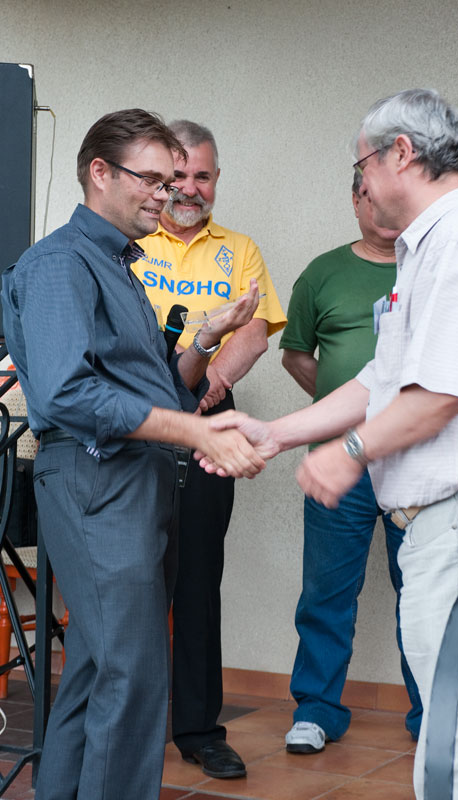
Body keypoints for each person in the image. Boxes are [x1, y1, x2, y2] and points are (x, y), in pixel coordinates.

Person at [200, 89, 458, 799]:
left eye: (362, 165)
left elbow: (440, 395)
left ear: (400, 154)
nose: (362, 184)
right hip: (440, 521)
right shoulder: (425, 251)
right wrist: (276, 433)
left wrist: (348, 453)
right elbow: (382, 380)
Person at [0, 108, 265, 800]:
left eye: (171, 181)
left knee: (98, 669)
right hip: (97, 483)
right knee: (134, 673)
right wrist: (194, 434)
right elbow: (65, 394)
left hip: (129, 484)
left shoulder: (118, 264)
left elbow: (161, 390)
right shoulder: (60, 263)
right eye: (151, 179)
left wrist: (205, 337)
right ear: (100, 172)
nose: (165, 195)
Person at [131, 120, 286, 779]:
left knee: (197, 575)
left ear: (216, 180)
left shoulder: (239, 250)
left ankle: (198, 730)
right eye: (178, 176)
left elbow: (255, 330)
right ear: (158, 179)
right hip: (135, 419)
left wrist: (210, 382)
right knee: (132, 576)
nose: (189, 188)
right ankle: (128, 729)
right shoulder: (129, 241)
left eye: (202, 176)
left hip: (208, 414)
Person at [279, 172, 422, 754]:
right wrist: (345, 413)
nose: (384, 209)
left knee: (423, 593)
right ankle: (316, 710)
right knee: (326, 591)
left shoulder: (429, 267)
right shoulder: (322, 273)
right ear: (356, 199)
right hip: (339, 464)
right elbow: (296, 356)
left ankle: (432, 716)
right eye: (371, 197)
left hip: (416, 461)